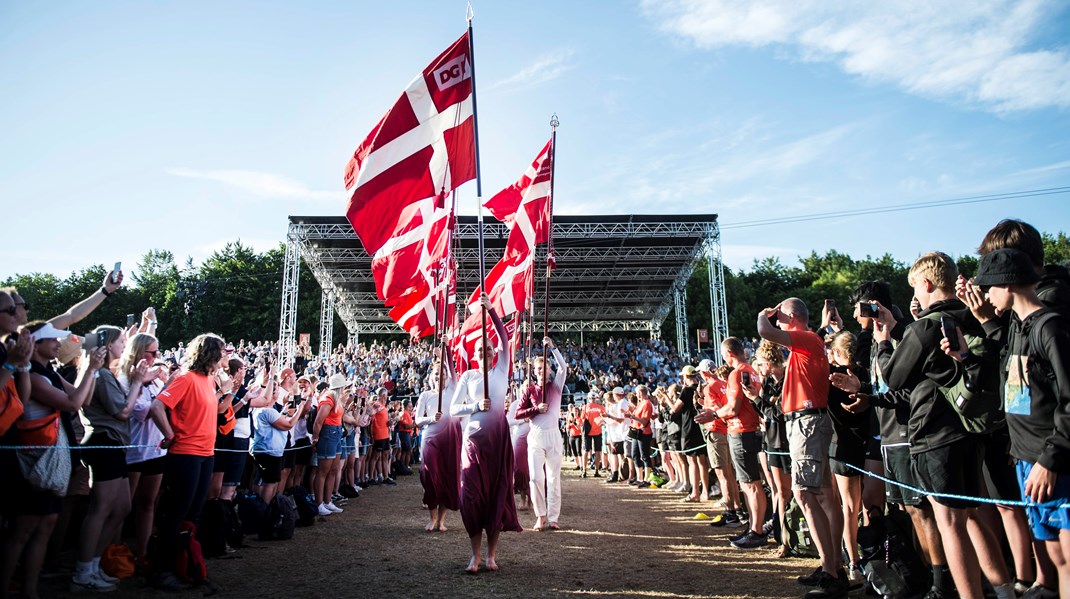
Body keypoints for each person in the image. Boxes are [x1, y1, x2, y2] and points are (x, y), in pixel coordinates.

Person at [864, 252, 1013, 599]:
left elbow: (893, 376)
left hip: (935, 433)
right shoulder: (973, 315)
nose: (915, 295)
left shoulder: (927, 325)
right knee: (973, 515)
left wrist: (884, 340)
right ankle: (1005, 591)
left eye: (916, 286)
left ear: (927, 283)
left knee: (950, 523)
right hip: (973, 429)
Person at [961, 248, 1070, 599]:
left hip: (1053, 464)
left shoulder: (1050, 327)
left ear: (1006, 285)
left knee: (1069, 556)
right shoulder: (1017, 328)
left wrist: (1050, 460)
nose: (985, 295)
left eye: (988, 287)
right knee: (1057, 557)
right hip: (1026, 459)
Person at [1, 322, 103, 598]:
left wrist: (91, 370)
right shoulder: (33, 376)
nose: (58, 345)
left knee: (46, 526)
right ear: (36, 344)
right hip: (34, 461)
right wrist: (91, 370)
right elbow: (72, 404)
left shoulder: (51, 373)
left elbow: (83, 396)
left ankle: (31, 590)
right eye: (52, 341)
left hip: (51, 460)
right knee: (22, 531)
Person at [757, 298, 845, 598]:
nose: (777, 318)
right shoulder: (810, 340)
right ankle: (831, 566)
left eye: (781, 314)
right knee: (819, 494)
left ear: (791, 317)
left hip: (807, 423)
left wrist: (763, 315)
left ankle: (832, 571)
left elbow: (765, 331)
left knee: (806, 494)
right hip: (807, 422)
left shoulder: (805, 338)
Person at [148, 333, 232, 591]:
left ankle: (184, 564)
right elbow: (157, 407)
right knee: (176, 513)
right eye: (222, 351)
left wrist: (230, 392)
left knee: (192, 514)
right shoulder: (185, 378)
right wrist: (169, 434)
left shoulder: (208, 380)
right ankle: (162, 570)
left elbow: (212, 410)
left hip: (205, 454)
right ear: (210, 353)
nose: (225, 356)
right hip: (186, 454)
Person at [449, 298, 522, 573]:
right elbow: (455, 409)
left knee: (496, 495)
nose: (486, 352)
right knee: (472, 497)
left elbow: (504, 337)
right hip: (473, 443)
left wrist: (491, 309)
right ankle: (474, 556)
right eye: (481, 349)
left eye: (489, 348)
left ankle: (491, 556)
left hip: (498, 442)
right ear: (475, 353)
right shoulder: (468, 377)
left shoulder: (502, 369)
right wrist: (475, 406)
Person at [73, 325, 148, 592]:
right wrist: (138, 381)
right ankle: (83, 571)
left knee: (121, 507)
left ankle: (94, 565)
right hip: (104, 443)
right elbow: (123, 412)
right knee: (101, 509)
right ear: (107, 346)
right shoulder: (102, 375)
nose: (124, 346)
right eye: (121, 341)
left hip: (114, 445)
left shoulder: (105, 373)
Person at [118, 333, 169, 568]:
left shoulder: (156, 379)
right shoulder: (127, 379)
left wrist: (167, 386)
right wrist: (163, 393)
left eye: (158, 352)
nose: (156, 357)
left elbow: (166, 406)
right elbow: (143, 412)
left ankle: (143, 552)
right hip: (134, 450)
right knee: (123, 506)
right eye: (152, 352)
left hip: (156, 449)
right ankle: (113, 552)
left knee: (149, 502)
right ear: (138, 352)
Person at [515, 337, 568, 531]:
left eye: (544, 368)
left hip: (553, 435)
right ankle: (541, 515)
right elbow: (517, 413)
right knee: (536, 478)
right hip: (536, 436)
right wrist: (536, 409)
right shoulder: (529, 391)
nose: (541, 371)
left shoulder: (556, 386)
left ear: (549, 370)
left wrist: (553, 348)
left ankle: (554, 517)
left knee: (554, 478)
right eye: (538, 368)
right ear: (534, 371)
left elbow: (564, 368)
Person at [414, 358, 460, 532]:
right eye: (436, 374)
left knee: (448, 477)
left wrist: (445, 349)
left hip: (449, 438)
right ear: (430, 377)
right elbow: (418, 420)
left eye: (442, 374)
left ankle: (441, 520)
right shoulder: (425, 395)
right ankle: (432, 518)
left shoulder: (452, 390)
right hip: (430, 438)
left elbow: (453, 372)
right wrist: (431, 419)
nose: (439, 377)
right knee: (429, 477)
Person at [698, 360, 742, 528]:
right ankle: (736, 509)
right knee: (729, 473)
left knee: (722, 474)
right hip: (728, 430)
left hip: (717, 430)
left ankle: (731, 513)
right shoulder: (724, 383)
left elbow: (717, 408)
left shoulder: (709, 387)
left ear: (704, 373)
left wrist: (709, 410)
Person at [672, 365, 711, 503]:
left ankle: (695, 492)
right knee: (702, 460)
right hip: (701, 425)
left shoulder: (687, 390)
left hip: (689, 426)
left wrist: (667, 398)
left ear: (686, 377)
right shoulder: (702, 388)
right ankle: (705, 491)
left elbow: (675, 409)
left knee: (692, 461)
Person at [581, 391, 606, 478]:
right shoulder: (601, 407)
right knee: (597, 451)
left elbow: (582, 419)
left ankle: (584, 471)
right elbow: (604, 419)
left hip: (588, 432)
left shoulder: (585, 407)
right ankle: (596, 470)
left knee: (586, 451)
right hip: (597, 431)